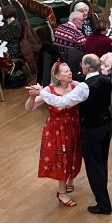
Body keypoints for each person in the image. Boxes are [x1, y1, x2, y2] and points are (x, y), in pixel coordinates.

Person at [28, 53, 112, 215]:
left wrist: (42, 92)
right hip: (106, 125)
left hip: (92, 129)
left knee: (94, 167)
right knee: (101, 163)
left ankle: (103, 204)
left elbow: (62, 102)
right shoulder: (105, 79)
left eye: (81, 64)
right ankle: (101, 195)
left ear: (87, 67)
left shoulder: (84, 86)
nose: (78, 67)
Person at [26, 61, 81, 207]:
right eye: (66, 71)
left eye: (70, 70)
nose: (70, 72)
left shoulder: (74, 85)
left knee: (73, 154)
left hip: (73, 126)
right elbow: (29, 108)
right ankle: (61, 192)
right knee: (61, 158)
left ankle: (70, 178)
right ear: (57, 76)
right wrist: (32, 96)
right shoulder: (49, 90)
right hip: (57, 129)